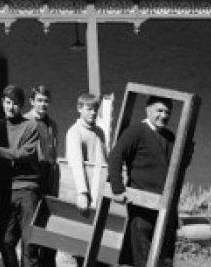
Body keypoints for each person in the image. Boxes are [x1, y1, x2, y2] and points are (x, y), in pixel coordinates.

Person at [107, 96, 188, 267]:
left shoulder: (169, 136)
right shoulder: (136, 132)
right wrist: (117, 188)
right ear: (148, 110)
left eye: (167, 112)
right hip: (142, 206)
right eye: (159, 110)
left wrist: (188, 153)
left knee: (164, 259)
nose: (164, 115)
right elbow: (115, 157)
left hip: (164, 206)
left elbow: (177, 166)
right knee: (142, 257)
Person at [0, 85, 40, 267]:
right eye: (7, 102)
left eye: (15, 103)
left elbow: (23, 154)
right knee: (4, 241)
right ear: (2, 103)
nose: (10, 107)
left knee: (29, 245)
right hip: (5, 189)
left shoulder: (30, 126)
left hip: (26, 189)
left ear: (21, 106)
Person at [25, 85, 59, 267]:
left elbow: (53, 154)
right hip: (31, 180)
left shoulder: (52, 124)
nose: (43, 104)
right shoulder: (24, 121)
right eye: (39, 100)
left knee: (48, 229)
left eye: (46, 101)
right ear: (32, 101)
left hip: (49, 181)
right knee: (31, 230)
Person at [65, 92, 108, 212]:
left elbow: (104, 161)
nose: (93, 113)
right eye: (89, 109)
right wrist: (82, 193)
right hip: (84, 194)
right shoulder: (75, 132)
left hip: (99, 190)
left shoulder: (100, 132)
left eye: (95, 109)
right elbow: (76, 163)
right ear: (79, 109)